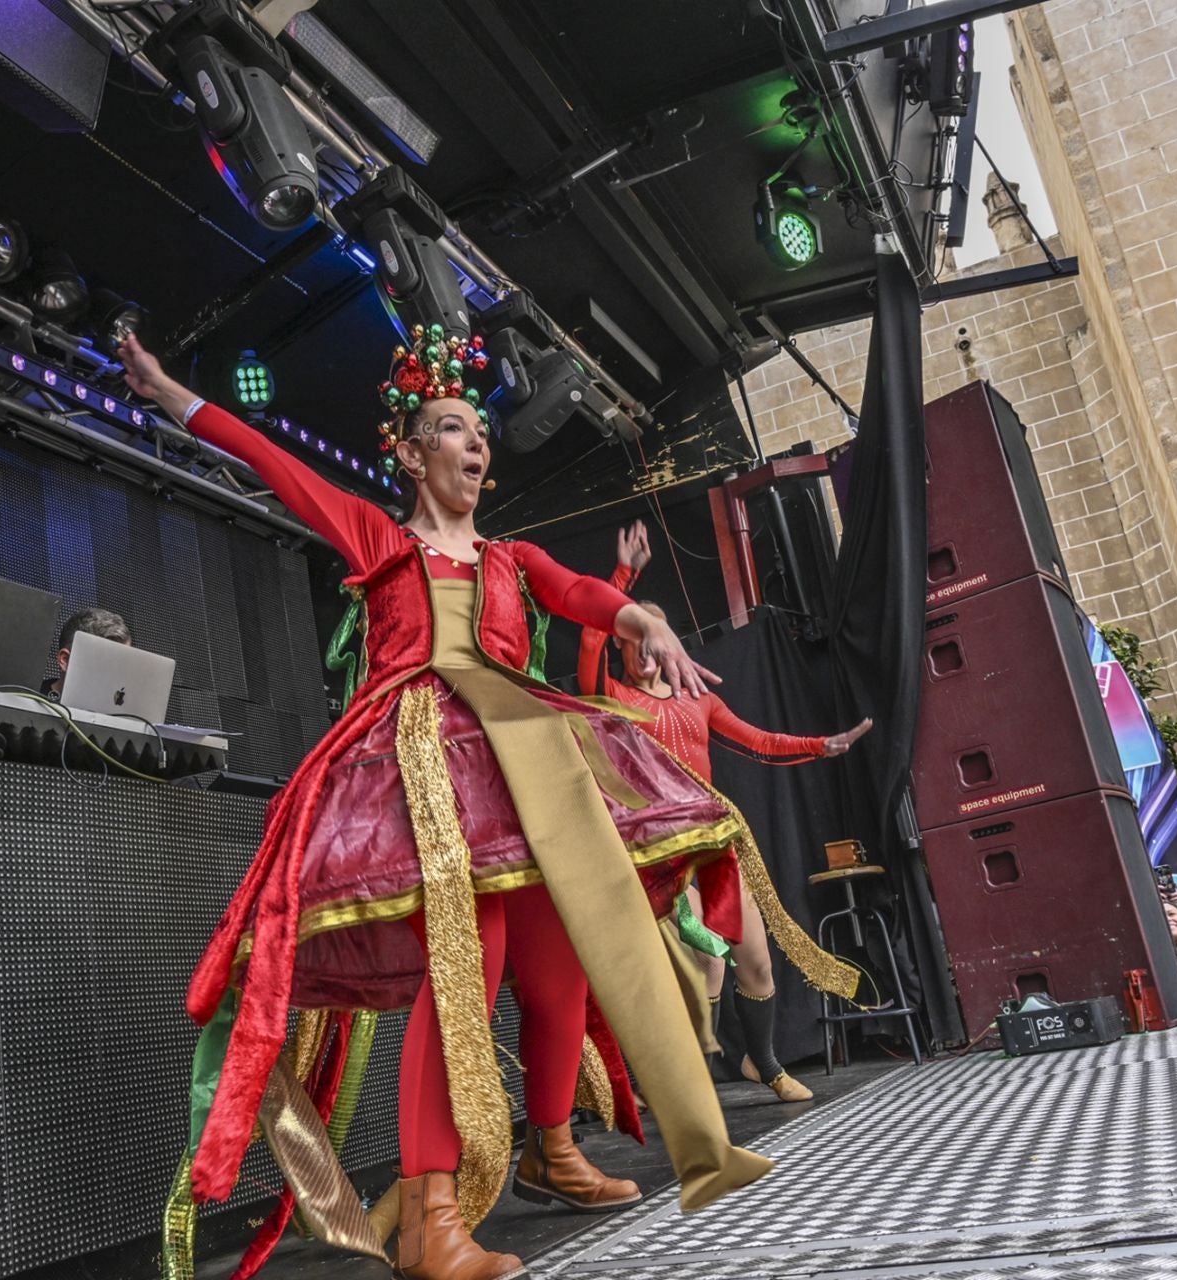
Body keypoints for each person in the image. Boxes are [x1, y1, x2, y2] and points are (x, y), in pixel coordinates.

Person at [121, 330, 788, 1279]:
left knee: (561, 966)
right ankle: (432, 1221)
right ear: (411, 453)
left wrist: (643, 616)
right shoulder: (380, 541)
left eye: (480, 435)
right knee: (466, 972)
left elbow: (582, 592)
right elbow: (274, 463)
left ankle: (553, 1155)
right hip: (428, 777)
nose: (474, 447)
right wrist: (177, 396)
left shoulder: (512, 560)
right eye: (451, 430)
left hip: (526, 772)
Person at [576, 520, 873, 1103]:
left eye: (653, 640)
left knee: (755, 963)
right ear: (622, 640)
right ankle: (670, 1075)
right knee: (700, 962)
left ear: (669, 646)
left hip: (714, 842)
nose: (643, 651)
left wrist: (821, 745)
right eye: (632, 638)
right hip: (654, 851)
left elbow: (759, 741)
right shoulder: (611, 697)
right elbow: (587, 639)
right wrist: (624, 575)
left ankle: (760, 1062)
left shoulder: (698, 698)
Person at [43, 606, 131, 696]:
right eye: (105, 665)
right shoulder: (31, 702)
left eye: (122, 666)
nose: (116, 677)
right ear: (65, 660)